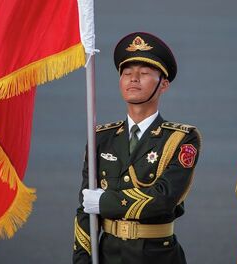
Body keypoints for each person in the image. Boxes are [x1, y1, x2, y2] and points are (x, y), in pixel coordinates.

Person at [73, 32, 201, 264]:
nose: (133, 79)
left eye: (143, 73)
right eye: (127, 73)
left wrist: (104, 203)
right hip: (108, 254)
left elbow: (163, 199)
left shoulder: (181, 139)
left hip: (157, 255)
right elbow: (84, 208)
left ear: (163, 84)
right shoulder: (101, 137)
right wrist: (82, 259)